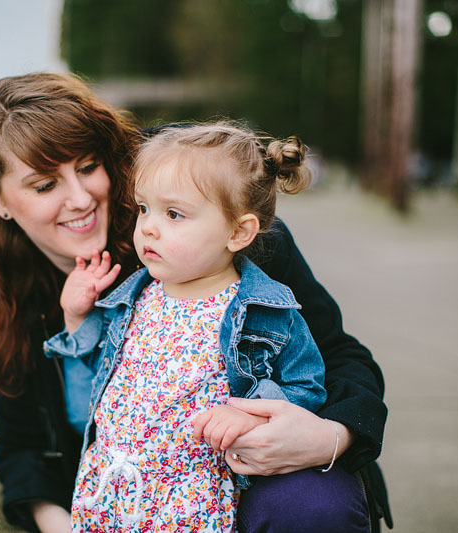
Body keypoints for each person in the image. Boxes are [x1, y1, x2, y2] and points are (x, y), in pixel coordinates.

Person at [0, 72, 391, 533]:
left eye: (88, 166)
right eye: (44, 185)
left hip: (253, 477)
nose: (80, 199)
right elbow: (21, 443)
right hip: (124, 500)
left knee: (311, 507)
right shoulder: (17, 281)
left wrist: (329, 437)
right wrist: (60, 523)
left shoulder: (211, 216)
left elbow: (341, 358)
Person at [43, 123, 328, 531]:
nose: (148, 228)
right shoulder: (131, 300)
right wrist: (75, 319)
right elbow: (83, 409)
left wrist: (253, 417)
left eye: (174, 214)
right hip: (110, 492)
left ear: (238, 231)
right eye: (144, 208)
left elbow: (307, 387)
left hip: (189, 501)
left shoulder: (264, 313)